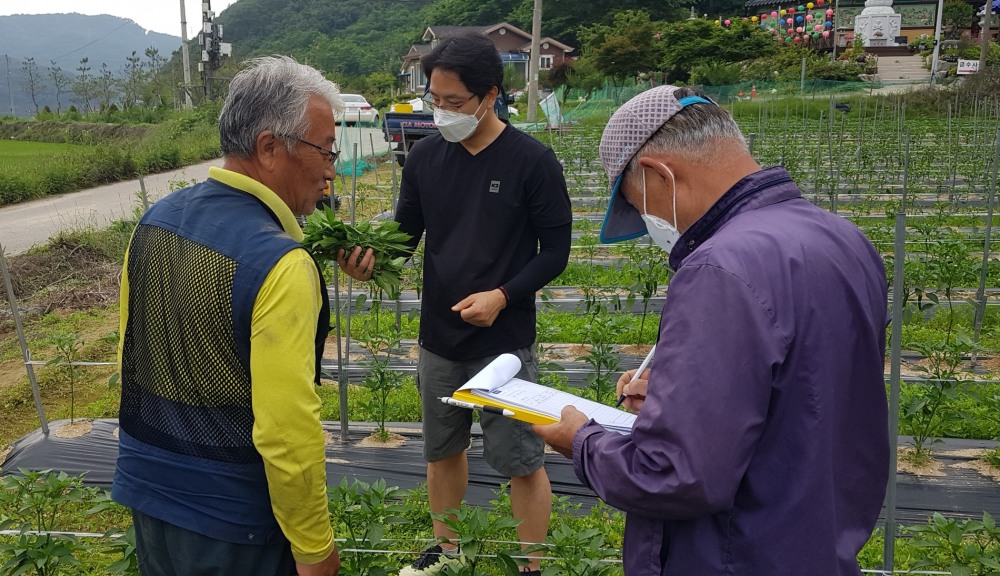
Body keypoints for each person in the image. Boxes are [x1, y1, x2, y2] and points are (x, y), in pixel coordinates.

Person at [533, 85, 889, 575]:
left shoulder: (719, 269)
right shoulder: (843, 239)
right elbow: (806, 389)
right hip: (814, 541)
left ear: (660, 174)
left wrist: (582, 441)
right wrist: (675, 400)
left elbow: (677, 476)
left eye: (643, 207)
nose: (653, 223)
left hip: (732, 555)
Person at [112, 55, 373, 576]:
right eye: (325, 149)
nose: (331, 168)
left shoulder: (155, 221)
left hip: (150, 493)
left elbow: (133, 353)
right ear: (270, 147)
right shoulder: (280, 264)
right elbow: (286, 431)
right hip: (235, 524)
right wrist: (314, 548)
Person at [379, 33, 572, 576]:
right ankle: (448, 552)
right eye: (434, 100)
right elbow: (405, 233)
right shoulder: (423, 160)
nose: (442, 112)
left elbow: (556, 251)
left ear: (489, 95)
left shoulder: (532, 161)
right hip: (440, 337)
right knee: (441, 452)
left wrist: (504, 295)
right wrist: (370, 257)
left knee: (520, 460)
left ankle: (530, 565)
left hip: (503, 343)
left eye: (454, 102)